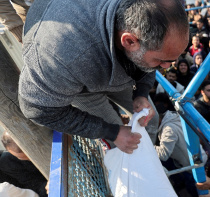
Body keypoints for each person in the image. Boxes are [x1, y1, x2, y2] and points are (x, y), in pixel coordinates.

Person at [19, 0, 190, 153]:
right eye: (161, 61)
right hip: (80, 86)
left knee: (150, 122)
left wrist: (141, 93)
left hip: (111, 67)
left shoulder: (143, 25)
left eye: (171, 60)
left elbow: (152, 51)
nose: (167, 67)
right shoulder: (60, 57)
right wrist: (111, 132)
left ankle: (146, 158)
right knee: (120, 143)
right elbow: (37, 109)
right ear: (129, 41)